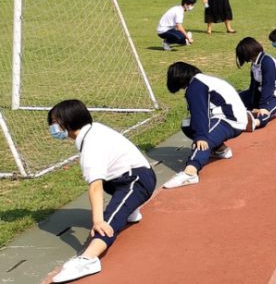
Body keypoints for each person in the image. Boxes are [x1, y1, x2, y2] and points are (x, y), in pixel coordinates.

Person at [47, 100, 156, 283]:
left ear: (66, 122)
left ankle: (89, 259)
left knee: (108, 219)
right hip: (132, 175)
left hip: (135, 180)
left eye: (54, 122)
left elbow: (95, 186)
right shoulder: (93, 129)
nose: (52, 127)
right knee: (110, 187)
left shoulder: (91, 144)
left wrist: (98, 220)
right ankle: (130, 208)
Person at [163, 62, 248, 189]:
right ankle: (221, 150)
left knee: (203, 138)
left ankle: (190, 173)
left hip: (229, 119)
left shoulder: (195, 86)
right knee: (188, 125)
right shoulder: (200, 81)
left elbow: (200, 113)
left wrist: (201, 136)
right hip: (229, 117)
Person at [235, 37, 276, 128]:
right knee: (235, 99)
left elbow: (268, 86)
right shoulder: (255, 63)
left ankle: (254, 123)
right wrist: (251, 106)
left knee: (264, 113)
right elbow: (254, 87)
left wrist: (262, 107)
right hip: (262, 93)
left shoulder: (267, 61)